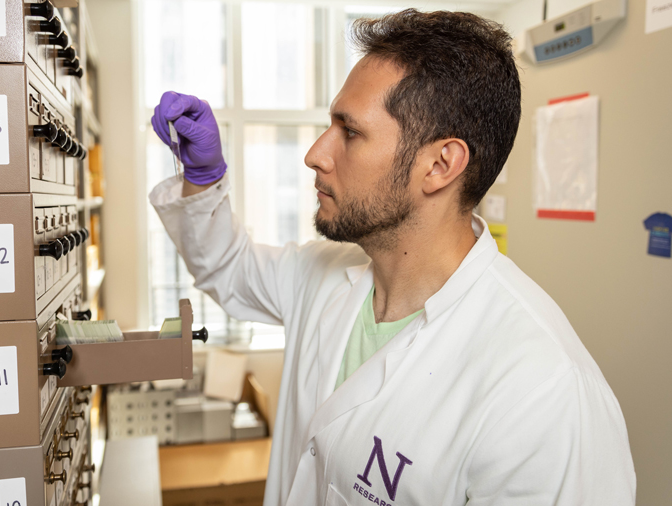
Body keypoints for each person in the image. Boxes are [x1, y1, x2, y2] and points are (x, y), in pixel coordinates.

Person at [149, 9, 635, 506]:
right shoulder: (323, 277)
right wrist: (204, 179)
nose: (316, 154)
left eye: (350, 131)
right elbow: (228, 268)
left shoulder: (544, 392)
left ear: (440, 165)